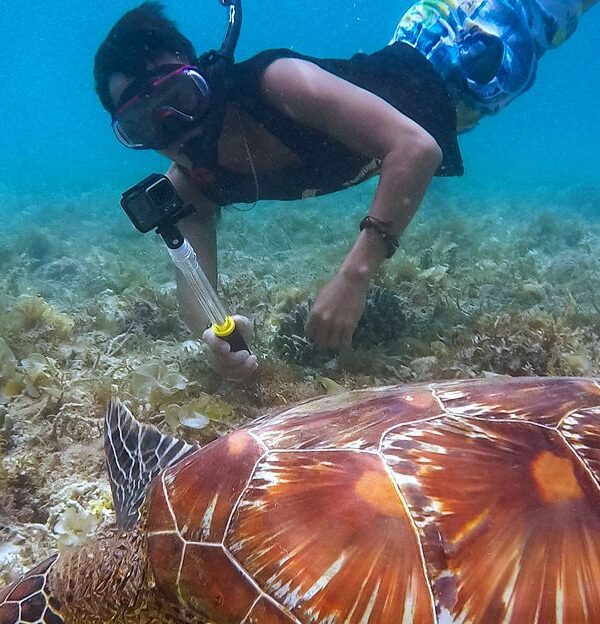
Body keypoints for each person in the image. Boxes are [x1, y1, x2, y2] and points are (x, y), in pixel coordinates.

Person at [94, 0, 595, 380]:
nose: (175, 128)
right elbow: (196, 295)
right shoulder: (195, 184)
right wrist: (217, 337)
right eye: (143, 125)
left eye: (180, 97)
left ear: (205, 76)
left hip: (462, 51)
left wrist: (354, 277)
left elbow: (415, 149)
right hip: (439, 84)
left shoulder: (278, 83)